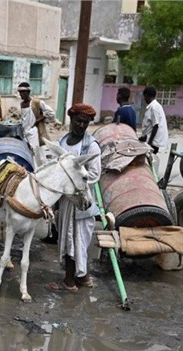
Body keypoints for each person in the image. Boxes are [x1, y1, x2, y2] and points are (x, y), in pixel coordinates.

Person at [56, 103, 102, 292]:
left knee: (75, 241)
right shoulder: (62, 142)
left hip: (81, 201)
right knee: (68, 239)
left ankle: (69, 282)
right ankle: (83, 278)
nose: (81, 125)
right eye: (78, 121)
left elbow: (94, 174)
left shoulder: (91, 146)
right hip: (66, 200)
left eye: (86, 122)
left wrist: (72, 180)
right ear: (71, 120)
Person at [17, 82, 57, 147]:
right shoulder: (22, 104)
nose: (21, 94)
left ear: (28, 92)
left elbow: (51, 113)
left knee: (35, 152)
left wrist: (39, 120)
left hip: (33, 132)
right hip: (24, 132)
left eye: (23, 92)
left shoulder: (36, 102)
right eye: (20, 92)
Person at [139, 86, 168, 154]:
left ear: (146, 95)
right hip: (150, 139)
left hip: (153, 143)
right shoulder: (155, 106)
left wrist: (149, 143)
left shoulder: (154, 107)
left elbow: (156, 125)